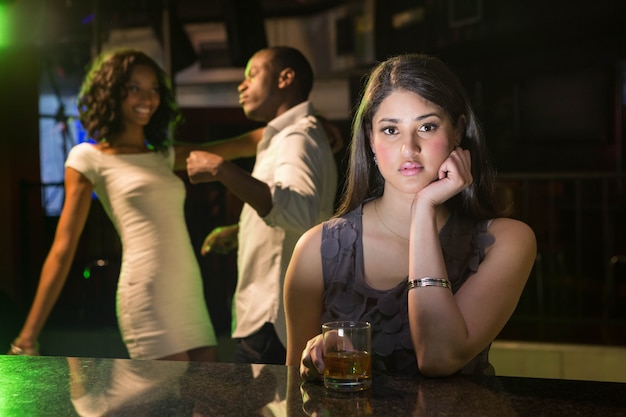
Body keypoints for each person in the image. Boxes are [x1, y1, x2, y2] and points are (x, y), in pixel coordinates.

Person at [283, 53, 537, 378]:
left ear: (458, 130)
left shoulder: (506, 240)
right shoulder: (316, 249)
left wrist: (424, 209)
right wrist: (315, 365)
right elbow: (295, 392)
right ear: (370, 140)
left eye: (427, 126)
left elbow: (439, 357)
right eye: (390, 130)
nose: (409, 148)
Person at [8, 49, 221, 361]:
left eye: (153, 89)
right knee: (167, 405)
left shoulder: (163, 156)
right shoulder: (88, 157)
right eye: (133, 87)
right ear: (111, 92)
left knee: (207, 402)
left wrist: (297, 125)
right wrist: (29, 335)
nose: (146, 98)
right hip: (146, 293)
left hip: (188, 288)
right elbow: (63, 247)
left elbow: (233, 148)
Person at [186, 46, 338, 365]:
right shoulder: (289, 136)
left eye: (252, 74)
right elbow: (285, 208)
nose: (242, 85)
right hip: (269, 317)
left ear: (285, 78)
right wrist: (241, 231)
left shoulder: (297, 137)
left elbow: (299, 210)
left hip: (272, 319)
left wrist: (221, 169)